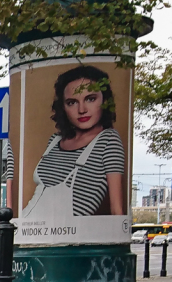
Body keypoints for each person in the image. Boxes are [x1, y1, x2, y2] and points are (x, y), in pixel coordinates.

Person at [27, 65, 126, 218]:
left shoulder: (108, 140)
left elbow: (116, 210)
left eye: (90, 99)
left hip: (67, 236)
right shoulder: (55, 141)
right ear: (63, 107)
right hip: (29, 230)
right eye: (72, 102)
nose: (82, 109)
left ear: (105, 101)